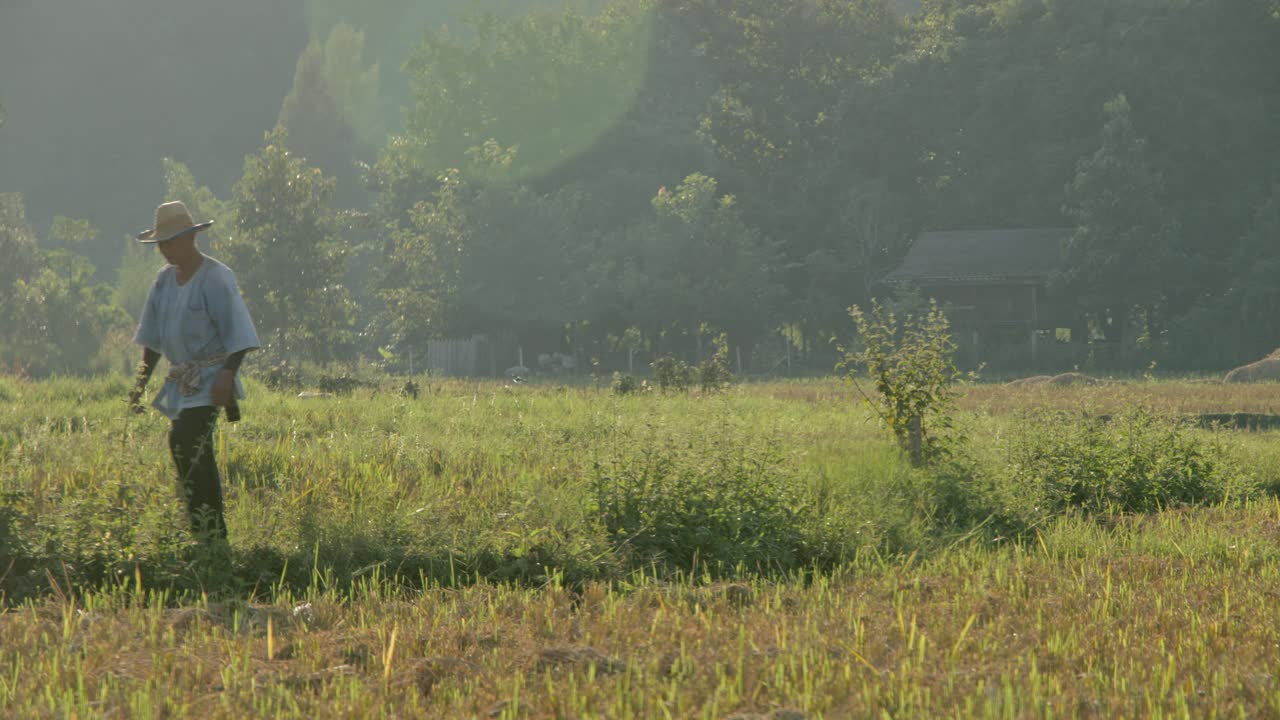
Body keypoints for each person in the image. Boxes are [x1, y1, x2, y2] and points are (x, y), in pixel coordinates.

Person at [127, 201, 260, 548]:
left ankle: (213, 534)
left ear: (189, 238)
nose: (165, 250)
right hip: (181, 378)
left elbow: (239, 334)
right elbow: (153, 340)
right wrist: (139, 385)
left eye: (171, 242)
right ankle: (203, 530)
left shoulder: (216, 278)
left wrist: (227, 375)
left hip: (211, 374)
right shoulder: (163, 282)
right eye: (161, 244)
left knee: (188, 440)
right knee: (183, 446)